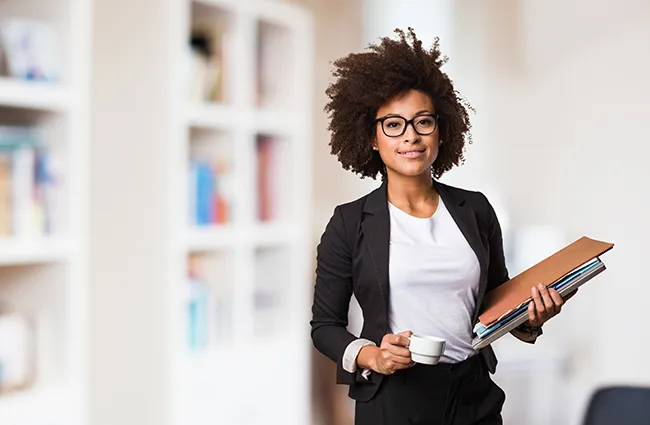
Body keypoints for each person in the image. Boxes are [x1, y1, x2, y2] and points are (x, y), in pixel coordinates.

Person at [310, 28, 573, 425]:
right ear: (371, 137)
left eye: (423, 122)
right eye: (393, 125)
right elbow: (325, 326)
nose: (411, 136)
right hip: (395, 399)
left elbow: (493, 305)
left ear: (441, 128)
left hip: (473, 393)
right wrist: (373, 356)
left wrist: (530, 320)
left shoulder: (475, 209)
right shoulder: (349, 222)